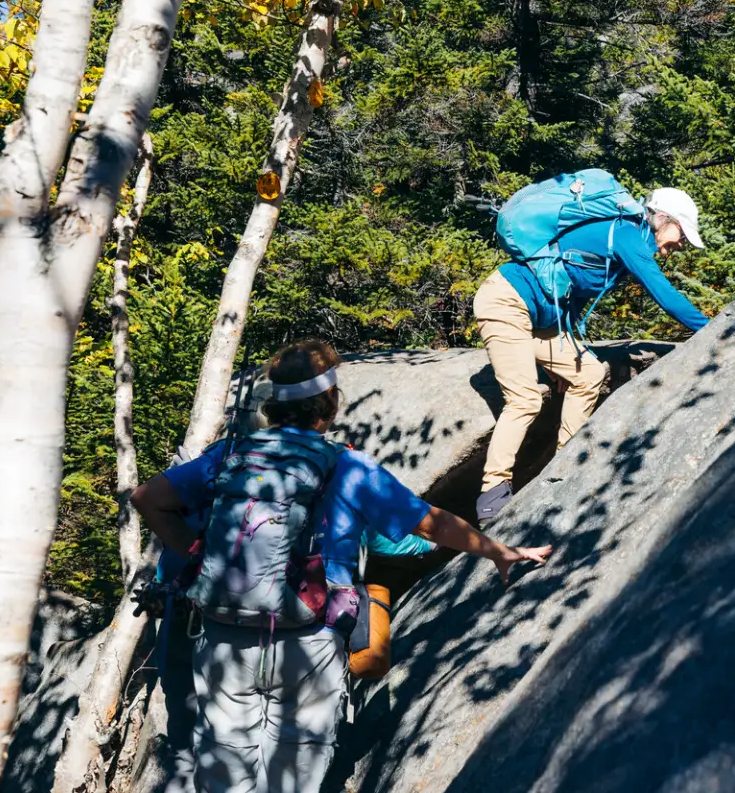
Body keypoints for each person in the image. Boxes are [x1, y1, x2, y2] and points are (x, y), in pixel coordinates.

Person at [131, 339, 550, 793]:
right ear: (329, 403)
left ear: (273, 405)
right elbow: (429, 524)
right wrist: (497, 551)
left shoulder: (228, 456)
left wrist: (197, 553)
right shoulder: (347, 466)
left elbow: (147, 499)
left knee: (226, 771)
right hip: (308, 640)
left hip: (224, 634)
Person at [473, 186, 711, 525]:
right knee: (524, 399)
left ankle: (562, 465)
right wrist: (714, 327)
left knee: (588, 374)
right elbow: (666, 296)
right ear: (663, 219)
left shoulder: (627, 239)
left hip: (541, 320)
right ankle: (492, 491)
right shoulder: (629, 236)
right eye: (681, 233)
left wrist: (561, 355)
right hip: (506, 302)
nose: (681, 244)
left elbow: (573, 292)